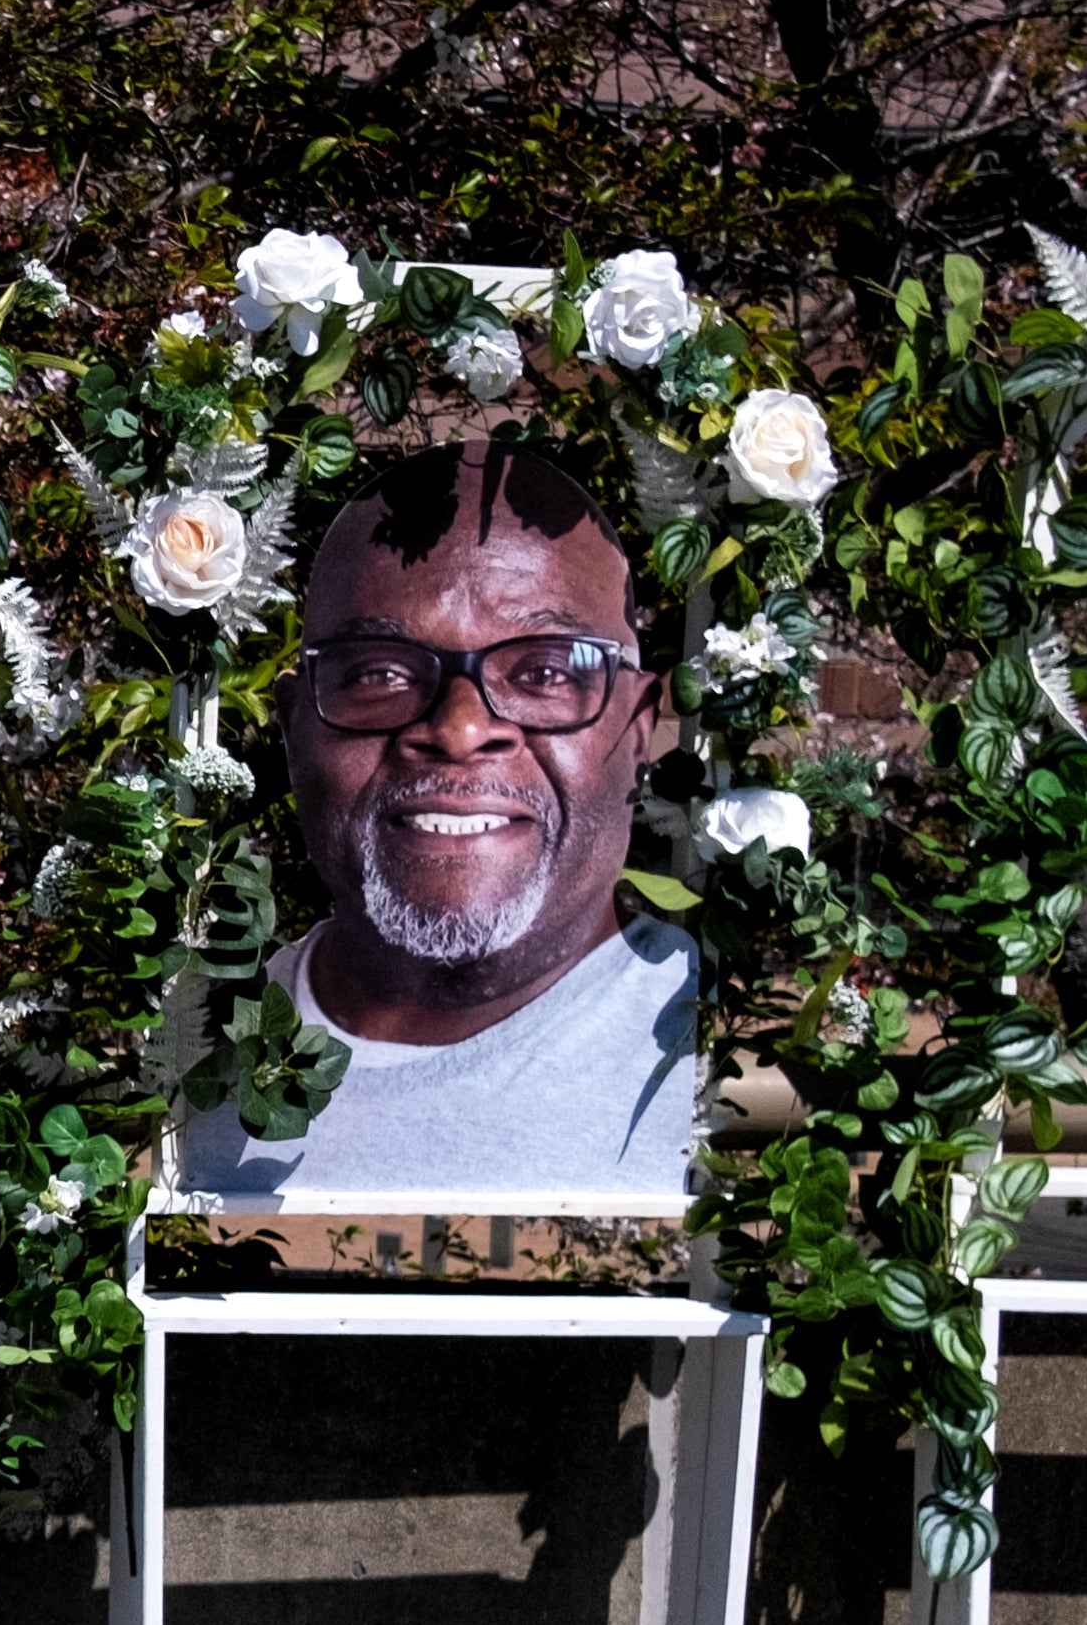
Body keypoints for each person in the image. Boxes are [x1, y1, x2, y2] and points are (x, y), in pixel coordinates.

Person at [177, 442, 703, 1206]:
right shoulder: (179, 1064)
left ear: (637, 730)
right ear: (294, 731)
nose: (458, 730)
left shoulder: (731, 1055)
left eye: (545, 671)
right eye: (379, 672)